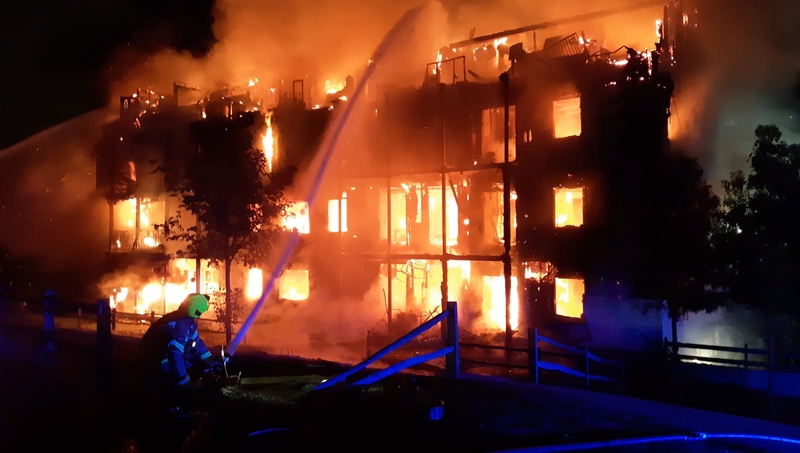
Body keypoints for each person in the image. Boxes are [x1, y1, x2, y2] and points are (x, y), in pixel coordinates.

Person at [138, 293, 224, 405]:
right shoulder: (179, 325)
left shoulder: (186, 322)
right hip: (156, 365)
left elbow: (197, 344)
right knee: (177, 392)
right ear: (196, 310)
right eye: (201, 312)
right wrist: (185, 382)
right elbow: (175, 354)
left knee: (193, 366)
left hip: (158, 361)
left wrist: (211, 361)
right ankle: (176, 408)